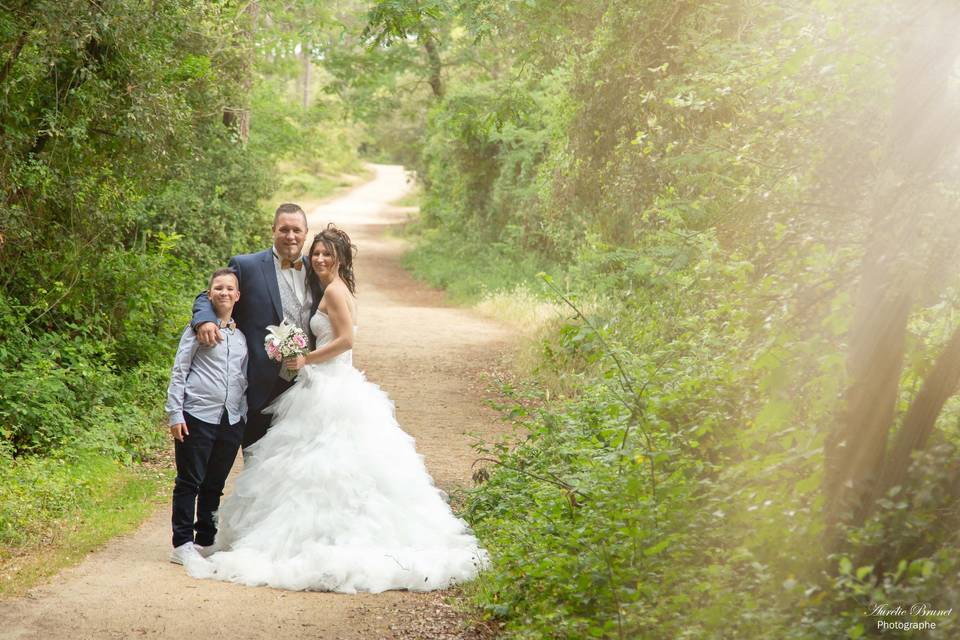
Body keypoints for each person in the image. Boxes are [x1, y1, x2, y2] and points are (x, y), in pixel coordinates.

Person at [185, 224, 488, 592]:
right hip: (316, 385)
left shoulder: (335, 291)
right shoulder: (320, 286)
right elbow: (214, 292)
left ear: (342, 258)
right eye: (317, 254)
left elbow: (346, 340)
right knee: (304, 466)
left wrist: (304, 358)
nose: (320, 259)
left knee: (334, 465)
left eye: (327, 254)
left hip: (332, 387)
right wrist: (205, 316)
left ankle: (335, 540)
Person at [191, 203, 321, 450]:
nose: (290, 236)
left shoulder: (317, 269)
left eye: (296, 230)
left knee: (303, 459)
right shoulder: (247, 266)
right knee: (258, 460)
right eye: (284, 229)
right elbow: (208, 294)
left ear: (306, 232)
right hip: (261, 386)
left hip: (308, 384)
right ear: (273, 230)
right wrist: (205, 320)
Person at [165, 268, 248, 566]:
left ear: (237, 296)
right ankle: (182, 542)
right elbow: (179, 370)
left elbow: (242, 379)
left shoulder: (241, 339)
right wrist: (175, 413)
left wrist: (242, 417)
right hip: (197, 414)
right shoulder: (197, 330)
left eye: (229, 289)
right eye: (218, 288)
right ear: (210, 294)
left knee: (214, 483)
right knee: (190, 480)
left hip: (230, 420)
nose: (224, 293)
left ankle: (205, 540)